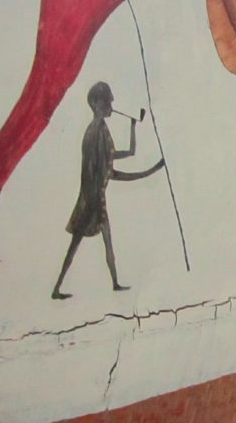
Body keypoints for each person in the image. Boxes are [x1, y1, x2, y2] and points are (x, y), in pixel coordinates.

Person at [52, 81, 163, 300]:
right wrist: (148, 172)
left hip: (95, 200)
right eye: (107, 100)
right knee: (78, 245)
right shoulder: (95, 133)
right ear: (96, 104)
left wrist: (133, 127)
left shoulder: (101, 129)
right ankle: (58, 288)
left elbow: (128, 153)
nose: (112, 103)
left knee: (101, 242)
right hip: (91, 202)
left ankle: (112, 282)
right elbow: (109, 172)